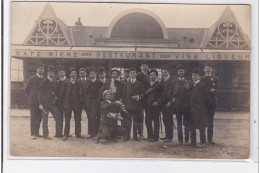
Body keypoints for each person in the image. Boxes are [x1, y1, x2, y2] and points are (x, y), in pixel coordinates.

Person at [168, 64, 191, 145]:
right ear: (177, 72)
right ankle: (180, 139)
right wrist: (173, 99)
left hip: (186, 105)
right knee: (179, 122)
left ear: (184, 72)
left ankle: (187, 139)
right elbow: (169, 93)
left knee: (187, 122)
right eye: (179, 71)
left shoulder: (188, 81)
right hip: (177, 105)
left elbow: (190, 93)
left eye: (182, 71)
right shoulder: (173, 82)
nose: (181, 72)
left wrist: (188, 89)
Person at [38, 65, 63, 139]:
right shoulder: (43, 82)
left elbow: (57, 92)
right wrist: (40, 104)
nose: (51, 74)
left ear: (54, 74)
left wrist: (56, 97)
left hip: (52, 104)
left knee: (58, 117)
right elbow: (39, 93)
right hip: (45, 104)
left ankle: (58, 133)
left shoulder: (55, 82)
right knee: (45, 119)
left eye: (52, 73)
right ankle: (46, 135)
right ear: (47, 73)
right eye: (50, 73)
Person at [189, 68, 212, 147]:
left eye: (196, 75)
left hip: (200, 109)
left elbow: (207, 99)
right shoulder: (191, 85)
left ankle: (203, 141)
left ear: (199, 76)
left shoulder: (202, 86)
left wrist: (204, 108)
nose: (194, 77)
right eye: (193, 75)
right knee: (192, 126)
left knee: (201, 126)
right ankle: (193, 142)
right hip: (192, 109)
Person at [122, 67, 145, 141]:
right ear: (129, 74)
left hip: (136, 105)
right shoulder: (126, 83)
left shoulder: (140, 83)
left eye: (134, 73)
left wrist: (138, 97)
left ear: (136, 74)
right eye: (131, 73)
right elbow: (124, 95)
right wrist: (123, 105)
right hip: (128, 105)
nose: (132, 74)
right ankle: (127, 136)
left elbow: (143, 94)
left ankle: (135, 136)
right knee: (127, 122)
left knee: (136, 121)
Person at [200, 62, 220, 145]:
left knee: (210, 121)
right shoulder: (201, 79)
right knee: (202, 120)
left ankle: (210, 139)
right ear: (204, 70)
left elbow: (219, 89)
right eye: (206, 68)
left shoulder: (215, 78)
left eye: (209, 68)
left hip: (212, 102)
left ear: (211, 69)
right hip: (203, 103)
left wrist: (214, 91)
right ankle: (203, 139)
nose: (207, 70)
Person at [62, 67, 84, 141]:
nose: (73, 75)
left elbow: (81, 94)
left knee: (78, 119)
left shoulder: (79, 83)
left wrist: (80, 102)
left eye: (75, 73)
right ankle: (66, 134)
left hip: (77, 104)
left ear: (77, 75)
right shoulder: (66, 83)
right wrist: (64, 103)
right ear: (69, 75)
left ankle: (78, 133)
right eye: (72, 73)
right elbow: (63, 93)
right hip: (68, 103)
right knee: (67, 119)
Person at [24, 62, 45, 139]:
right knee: (33, 117)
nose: (41, 70)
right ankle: (33, 134)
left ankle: (37, 132)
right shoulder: (32, 78)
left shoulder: (44, 79)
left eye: (43, 69)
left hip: (41, 102)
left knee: (39, 117)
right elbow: (26, 89)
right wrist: (31, 96)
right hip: (33, 102)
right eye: (40, 69)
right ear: (37, 70)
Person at [85, 67, 103, 139]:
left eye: (93, 74)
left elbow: (101, 92)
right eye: (90, 74)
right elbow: (85, 92)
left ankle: (96, 133)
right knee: (89, 117)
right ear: (89, 75)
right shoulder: (88, 82)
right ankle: (90, 133)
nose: (92, 75)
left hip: (96, 102)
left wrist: (99, 100)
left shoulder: (99, 82)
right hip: (89, 102)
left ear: (96, 74)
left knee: (95, 118)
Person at [158, 65, 175, 143]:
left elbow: (174, 93)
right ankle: (167, 135)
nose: (164, 73)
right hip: (163, 104)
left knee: (169, 120)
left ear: (168, 72)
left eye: (165, 72)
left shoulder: (172, 80)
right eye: (163, 72)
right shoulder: (162, 80)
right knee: (165, 120)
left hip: (169, 103)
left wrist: (170, 101)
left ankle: (170, 137)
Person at [144, 69, 161, 142]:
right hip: (148, 105)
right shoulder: (147, 84)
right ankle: (150, 136)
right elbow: (143, 94)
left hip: (155, 105)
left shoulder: (159, 84)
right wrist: (146, 92)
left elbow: (163, 95)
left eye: (154, 75)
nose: (152, 76)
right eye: (151, 75)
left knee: (156, 121)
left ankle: (156, 137)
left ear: (156, 76)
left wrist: (158, 102)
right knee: (148, 121)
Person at [136, 62, 150, 139]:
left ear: (147, 68)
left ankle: (148, 134)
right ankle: (140, 133)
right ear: (141, 67)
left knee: (147, 117)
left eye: (146, 66)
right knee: (140, 117)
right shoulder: (138, 75)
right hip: (140, 99)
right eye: (143, 66)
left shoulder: (148, 76)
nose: (145, 68)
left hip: (147, 99)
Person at [55, 65, 69, 137]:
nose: (61, 74)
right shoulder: (57, 82)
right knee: (59, 117)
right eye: (59, 73)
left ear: (65, 73)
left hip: (67, 102)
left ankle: (66, 133)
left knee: (67, 118)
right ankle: (58, 133)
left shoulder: (68, 81)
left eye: (62, 72)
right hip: (59, 103)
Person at [77, 67, 90, 134]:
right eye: (81, 73)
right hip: (79, 101)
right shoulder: (77, 81)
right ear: (79, 74)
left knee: (89, 116)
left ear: (86, 74)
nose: (82, 74)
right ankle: (78, 132)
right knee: (78, 117)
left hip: (87, 101)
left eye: (83, 73)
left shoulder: (89, 81)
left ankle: (90, 132)